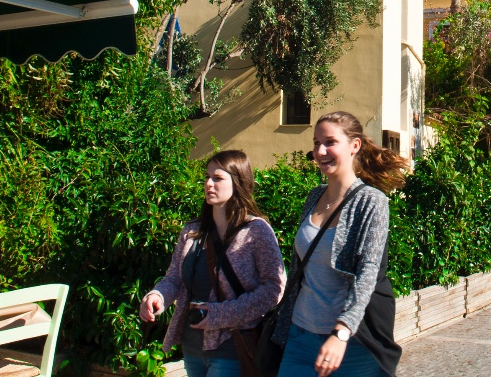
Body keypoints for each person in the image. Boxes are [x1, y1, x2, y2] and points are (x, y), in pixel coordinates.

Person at [274, 111, 409, 377]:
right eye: (316, 143)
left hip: (352, 343)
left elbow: (368, 272)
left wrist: (341, 331)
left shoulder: (371, 201)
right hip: (300, 334)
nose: (320, 151)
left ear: (354, 145)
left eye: (330, 142)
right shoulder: (314, 197)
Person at [141, 151, 286, 377]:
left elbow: (274, 289)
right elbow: (174, 278)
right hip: (192, 347)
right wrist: (158, 296)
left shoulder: (256, 231)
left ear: (238, 182)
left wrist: (220, 314)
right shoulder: (192, 231)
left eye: (218, 178)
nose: (209, 183)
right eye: (207, 177)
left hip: (232, 346)